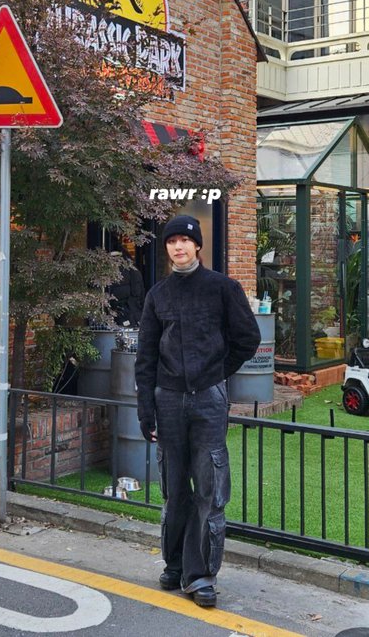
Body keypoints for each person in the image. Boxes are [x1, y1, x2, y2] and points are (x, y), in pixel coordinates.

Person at [135, 214, 260, 608]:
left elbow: (248, 339)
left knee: (209, 489)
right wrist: (145, 410)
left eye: (185, 240)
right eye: (172, 241)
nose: (178, 247)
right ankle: (175, 565)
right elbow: (146, 357)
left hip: (209, 400)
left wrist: (216, 373)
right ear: (166, 248)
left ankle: (200, 574)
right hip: (168, 400)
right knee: (175, 490)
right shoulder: (158, 295)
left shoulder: (223, 288)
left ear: (198, 246)